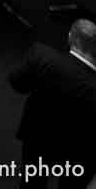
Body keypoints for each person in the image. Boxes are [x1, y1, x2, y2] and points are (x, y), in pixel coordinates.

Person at [8, 19, 96, 183]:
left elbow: (17, 83)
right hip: (79, 153)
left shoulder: (42, 56)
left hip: (38, 136)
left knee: (33, 183)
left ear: (70, 38)